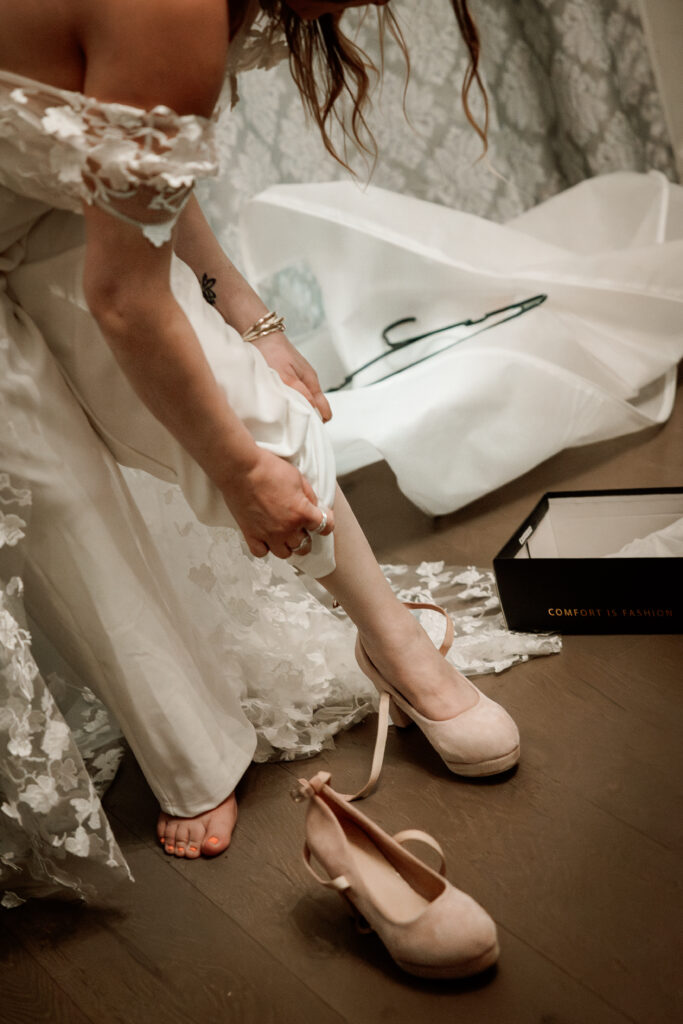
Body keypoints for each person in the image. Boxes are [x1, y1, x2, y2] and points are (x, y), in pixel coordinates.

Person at [0, 0, 517, 866]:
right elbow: (125, 300)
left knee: (246, 401)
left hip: (38, 194)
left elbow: (130, 166)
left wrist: (248, 318)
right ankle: (187, 750)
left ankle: (395, 645)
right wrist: (238, 475)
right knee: (54, 493)